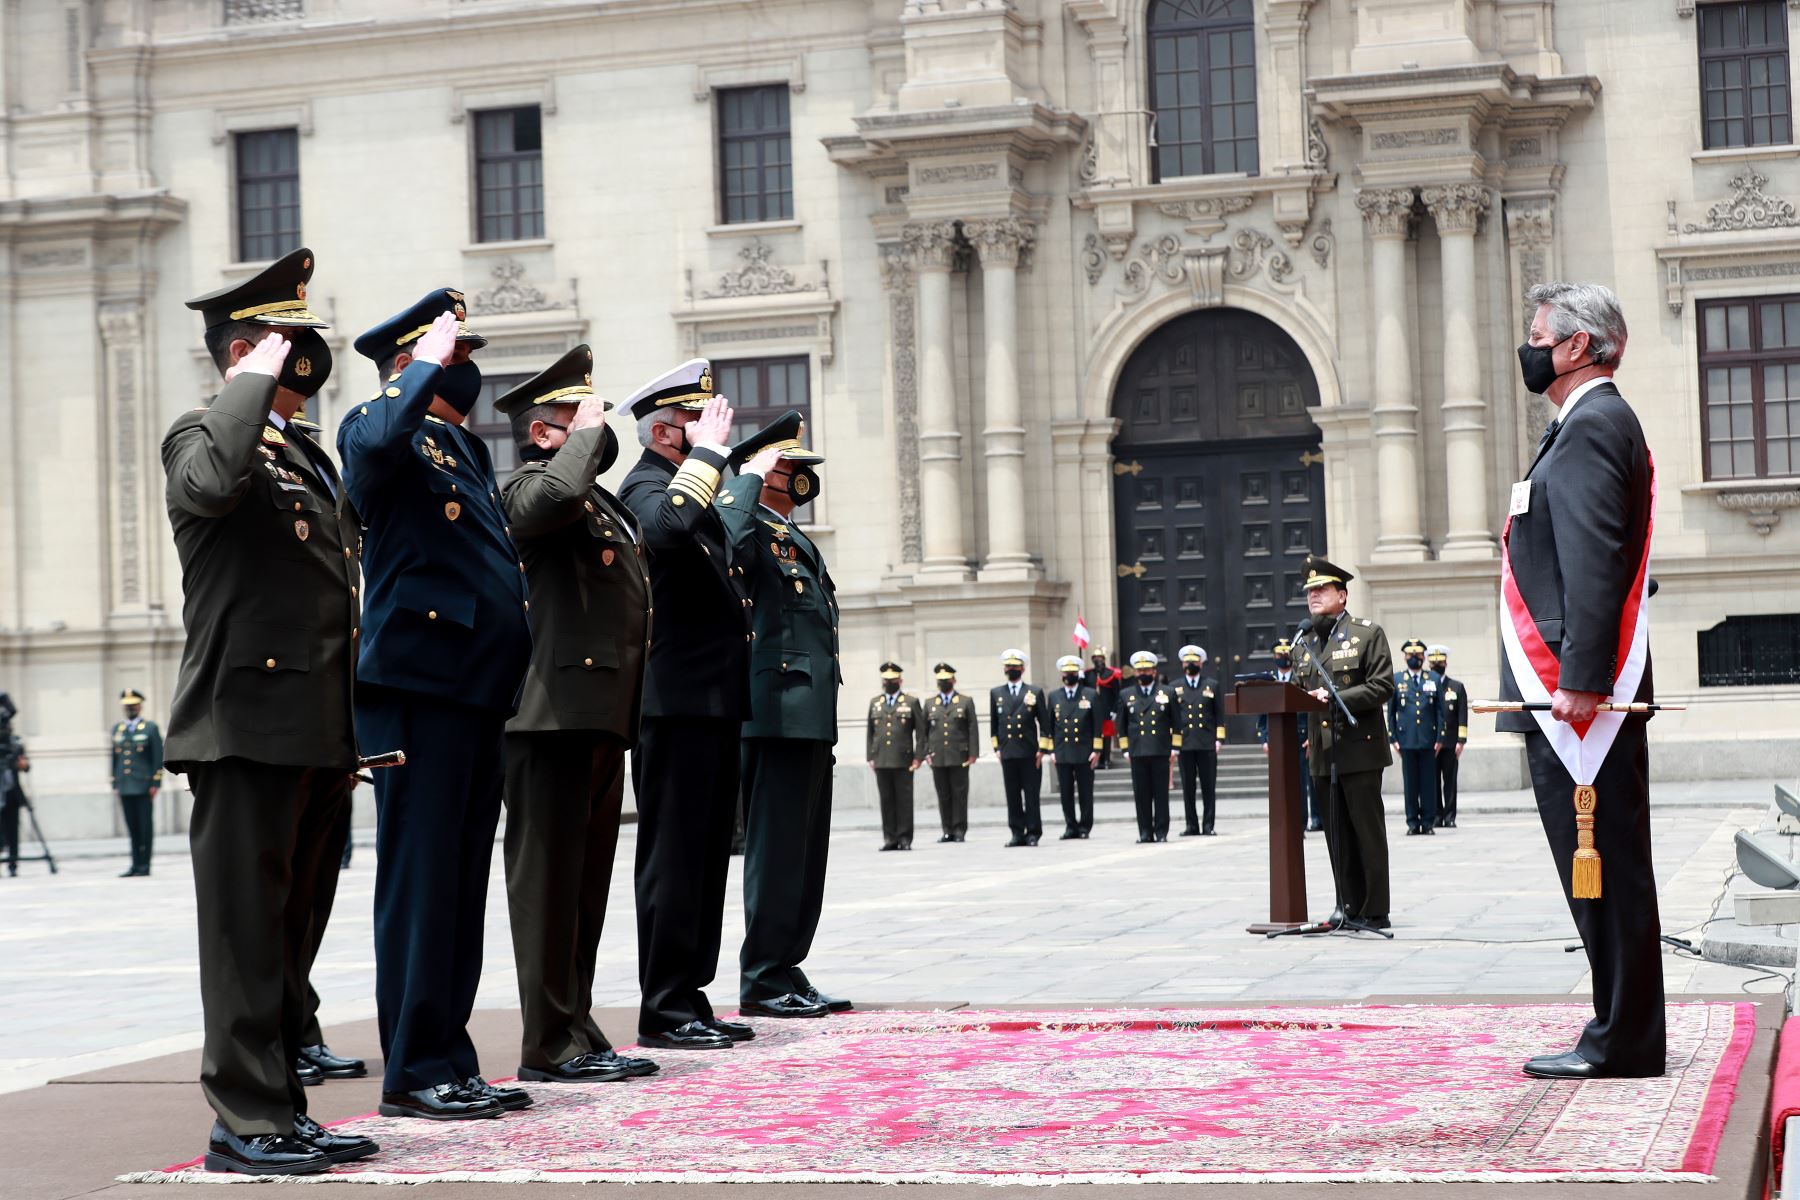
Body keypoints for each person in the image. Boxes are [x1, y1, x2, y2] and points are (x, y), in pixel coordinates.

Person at [164, 248, 375, 1173]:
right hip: (243, 723)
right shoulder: (201, 436)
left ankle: (283, 1107)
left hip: (317, 728)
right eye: (283, 342)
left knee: (290, 937)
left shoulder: (303, 454)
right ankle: (243, 1121)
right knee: (248, 935)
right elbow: (211, 486)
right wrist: (246, 378)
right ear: (245, 351)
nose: (303, 356)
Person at [339, 292, 534, 1120]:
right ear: (411, 364)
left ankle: (449, 1057)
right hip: (417, 689)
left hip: (473, 689)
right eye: (456, 356)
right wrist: (419, 366)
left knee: (459, 883)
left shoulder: (459, 446)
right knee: (422, 886)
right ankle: (415, 1071)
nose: (467, 369)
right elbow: (379, 441)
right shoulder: (373, 427)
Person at [1503, 281, 1660, 1080]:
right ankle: (1619, 1027)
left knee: (1606, 862)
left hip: (1578, 697)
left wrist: (1582, 677)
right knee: (1596, 866)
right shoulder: (1585, 425)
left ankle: (1624, 1038)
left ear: (1574, 346)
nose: (1528, 348)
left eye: (1537, 335)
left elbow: (1598, 562)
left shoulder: (1595, 425)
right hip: (1569, 687)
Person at [493, 345, 660, 1084]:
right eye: (576, 416)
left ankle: (577, 1025)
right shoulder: (529, 488)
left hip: (597, 713)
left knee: (587, 885)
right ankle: (547, 1038)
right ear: (542, 433)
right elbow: (546, 505)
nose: (596, 425)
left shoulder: (599, 503)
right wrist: (586, 440)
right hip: (548, 716)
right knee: (549, 885)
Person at [618, 359, 754, 1052]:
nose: (716, 438)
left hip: (710, 702)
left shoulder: (689, 492)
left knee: (705, 858)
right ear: (668, 431)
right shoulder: (644, 486)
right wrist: (705, 458)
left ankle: (693, 994)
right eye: (698, 425)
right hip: (671, 706)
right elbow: (664, 533)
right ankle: (665, 1005)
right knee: (674, 858)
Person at [722, 412, 847, 1018]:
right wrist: (743, 479)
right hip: (773, 715)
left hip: (807, 716)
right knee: (775, 851)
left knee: (804, 851)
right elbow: (727, 542)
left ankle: (787, 965)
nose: (800, 477)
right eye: (789, 468)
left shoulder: (794, 536)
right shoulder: (748, 526)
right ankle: (763, 976)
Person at [1290, 556, 1395, 929]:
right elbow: (1297, 692)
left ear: (1343, 595)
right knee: (1335, 835)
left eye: (1321, 590)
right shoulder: (1301, 644)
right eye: (1309, 591)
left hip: (1360, 748)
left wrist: (1336, 699)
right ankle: (1347, 906)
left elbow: (1383, 686)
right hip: (1322, 753)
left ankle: (1374, 910)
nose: (1313, 596)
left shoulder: (1367, 634)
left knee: (1366, 831)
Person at [990, 649, 1051, 847]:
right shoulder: (997, 693)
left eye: (1015, 667)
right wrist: (997, 749)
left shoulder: (1034, 692)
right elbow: (994, 724)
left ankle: (1033, 832)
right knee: (1013, 794)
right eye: (1008, 667)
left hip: (1030, 752)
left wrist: (1042, 750)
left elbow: (1045, 725)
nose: (1012, 669)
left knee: (1031, 795)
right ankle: (1017, 832)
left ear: (1023, 669)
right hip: (1008, 752)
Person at [1259, 640, 1319, 831]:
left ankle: (1308, 821)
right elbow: (1263, 712)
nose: (1283, 658)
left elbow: (1311, 707)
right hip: (1278, 737)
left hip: (1301, 736)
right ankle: (1289, 823)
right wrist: (1264, 738)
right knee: (1284, 782)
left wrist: (1312, 734)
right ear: (1274, 657)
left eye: (1286, 654)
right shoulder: (1268, 680)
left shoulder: (1301, 677)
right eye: (1279, 654)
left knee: (1305, 781)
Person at [1119, 651, 1177, 843]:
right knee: (1141, 794)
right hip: (1137, 751)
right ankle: (1145, 831)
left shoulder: (1167, 692)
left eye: (1147, 669)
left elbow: (1176, 723)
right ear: (1135, 673)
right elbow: (1122, 726)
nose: (1143, 673)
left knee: (1161, 794)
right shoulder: (1126, 694)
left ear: (1154, 671)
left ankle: (1161, 832)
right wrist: (1125, 750)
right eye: (1140, 670)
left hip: (1160, 750)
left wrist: (1175, 748)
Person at [1388, 638, 1445, 836]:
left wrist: (1440, 738)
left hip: (1428, 740)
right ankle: (1412, 822)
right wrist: (1393, 738)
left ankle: (1428, 822)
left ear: (1424, 657)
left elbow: (1440, 711)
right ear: (1405, 657)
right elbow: (1391, 712)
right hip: (1406, 741)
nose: (1415, 658)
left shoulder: (1433, 679)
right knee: (1411, 785)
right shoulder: (1397, 679)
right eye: (1411, 655)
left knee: (1429, 783)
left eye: (1418, 655)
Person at [867, 662, 926, 852]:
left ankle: (905, 838)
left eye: (893, 680)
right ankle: (890, 838)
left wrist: (919, 756)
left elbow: (921, 732)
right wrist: (870, 755)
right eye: (887, 680)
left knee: (904, 801)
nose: (890, 683)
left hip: (904, 760)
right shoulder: (875, 702)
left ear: (900, 680)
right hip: (882, 760)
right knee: (886, 801)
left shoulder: (910, 702)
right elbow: (870, 732)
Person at [110, 688, 164, 877]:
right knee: (132, 828)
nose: (130, 708)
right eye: (127, 706)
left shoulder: (150, 728)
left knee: (145, 827)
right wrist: (115, 783)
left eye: (133, 705)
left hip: (143, 786)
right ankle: (134, 864)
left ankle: (144, 865)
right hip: (125, 786)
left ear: (140, 706)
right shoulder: (118, 729)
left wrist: (155, 783)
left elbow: (158, 758)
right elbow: (114, 759)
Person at [923, 663, 979, 842]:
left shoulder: (965, 701)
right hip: (938, 756)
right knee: (943, 795)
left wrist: (973, 753)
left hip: (959, 756)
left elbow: (972, 728)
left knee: (959, 794)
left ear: (953, 680)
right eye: (940, 680)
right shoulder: (930, 703)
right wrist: (926, 753)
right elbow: (923, 732)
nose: (943, 683)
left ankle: (959, 829)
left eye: (946, 680)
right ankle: (947, 829)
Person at [1173, 645, 1224, 837]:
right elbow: (1173, 718)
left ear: (1201, 664)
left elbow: (1219, 714)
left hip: (1206, 743)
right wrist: (1174, 743)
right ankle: (1191, 825)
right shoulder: (1175, 687)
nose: (1190, 665)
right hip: (1185, 743)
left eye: (1194, 662)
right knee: (1188, 787)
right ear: (1182, 664)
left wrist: (1219, 738)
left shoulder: (1211, 685)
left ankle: (1208, 825)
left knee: (1208, 786)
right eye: (1187, 662)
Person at [1047, 655, 1100, 839]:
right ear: (1061, 674)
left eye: (1072, 672)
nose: (1069, 675)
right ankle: (1070, 826)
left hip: (1084, 752)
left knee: (1085, 792)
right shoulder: (1054, 696)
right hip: (1062, 751)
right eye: (1066, 672)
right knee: (1066, 792)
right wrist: (1051, 751)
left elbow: (1097, 724)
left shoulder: (1090, 694)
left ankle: (1085, 826)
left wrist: (1097, 750)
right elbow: (1050, 726)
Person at [1427, 645, 1468, 828]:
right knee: (1433, 781)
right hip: (1433, 743)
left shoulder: (1456, 687)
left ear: (1446, 663)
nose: (1437, 666)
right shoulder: (1426, 686)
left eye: (1440, 663)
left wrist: (1461, 741)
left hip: (1451, 743)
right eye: (1434, 663)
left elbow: (1462, 715)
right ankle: (1437, 815)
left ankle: (1450, 816)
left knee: (1450, 781)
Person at [1084, 650, 1123, 768]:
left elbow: (1117, 694)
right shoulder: (1088, 675)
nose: (1098, 660)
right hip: (1091, 711)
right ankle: (1095, 759)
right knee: (1093, 735)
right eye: (1095, 658)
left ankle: (1106, 759)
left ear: (1104, 659)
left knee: (1106, 736)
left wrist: (1115, 710)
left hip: (1107, 710)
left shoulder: (1111, 674)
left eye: (1100, 658)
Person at [1, 695, 26, 877]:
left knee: (13, 828)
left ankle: (13, 862)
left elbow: (25, 764)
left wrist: (23, 764)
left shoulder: (14, 742)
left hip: (12, 792)